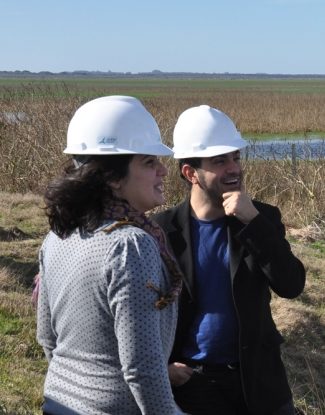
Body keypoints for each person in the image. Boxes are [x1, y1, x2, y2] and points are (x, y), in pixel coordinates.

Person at [151, 105, 306, 415]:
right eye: (220, 161)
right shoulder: (160, 231)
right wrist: (160, 367)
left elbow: (291, 284)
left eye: (235, 157)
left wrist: (254, 223)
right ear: (190, 173)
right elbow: (141, 310)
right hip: (193, 384)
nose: (234, 168)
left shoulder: (262, 218)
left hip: (260, 379)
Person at [36, 95, 185, 415]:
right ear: (112, 177)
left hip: (58, 405)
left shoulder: (58, 236)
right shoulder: (131, 245)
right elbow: (142, 368)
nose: (163, 171)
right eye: (149, 162)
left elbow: (48, 340)